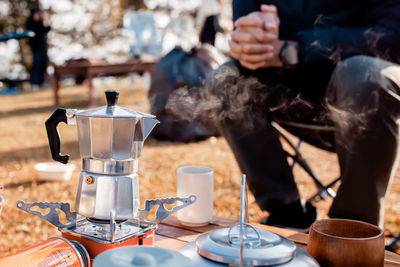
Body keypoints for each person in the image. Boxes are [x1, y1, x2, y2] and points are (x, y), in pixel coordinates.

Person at [197, 0, 400, 229]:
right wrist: (252, 39)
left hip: (369, 98)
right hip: (293, 94)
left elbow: (393, 37)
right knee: (227, 81)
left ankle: (353, 230)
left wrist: (292, 50)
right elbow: (246, 29)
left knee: (363, 77)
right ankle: (286, 213)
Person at [26, 7, 51, 90]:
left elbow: (47, 29)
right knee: (36, 65)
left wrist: (47, 21)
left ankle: (41, 82)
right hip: (35, 48)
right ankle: (35, 83)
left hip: (42, 47)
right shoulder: (30, 23)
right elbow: (37, 31)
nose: (37, 16)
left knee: (43, 64)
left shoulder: (40, 23)